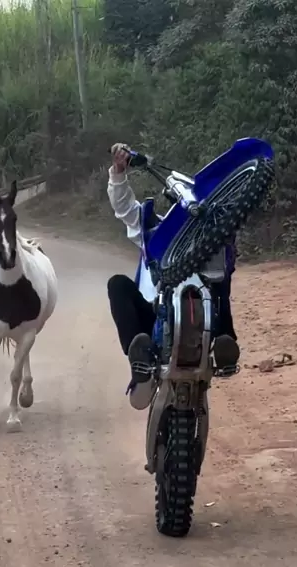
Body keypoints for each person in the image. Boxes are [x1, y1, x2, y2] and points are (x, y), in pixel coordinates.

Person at [107, 143, 240, 410]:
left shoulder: (212, 239)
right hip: (155, 315)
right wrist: (118, 173)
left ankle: (225, 344)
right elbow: (125, 209)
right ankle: (139, 357)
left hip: (205, 315)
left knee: (221, 280)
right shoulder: (156, 231)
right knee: (117, 284)